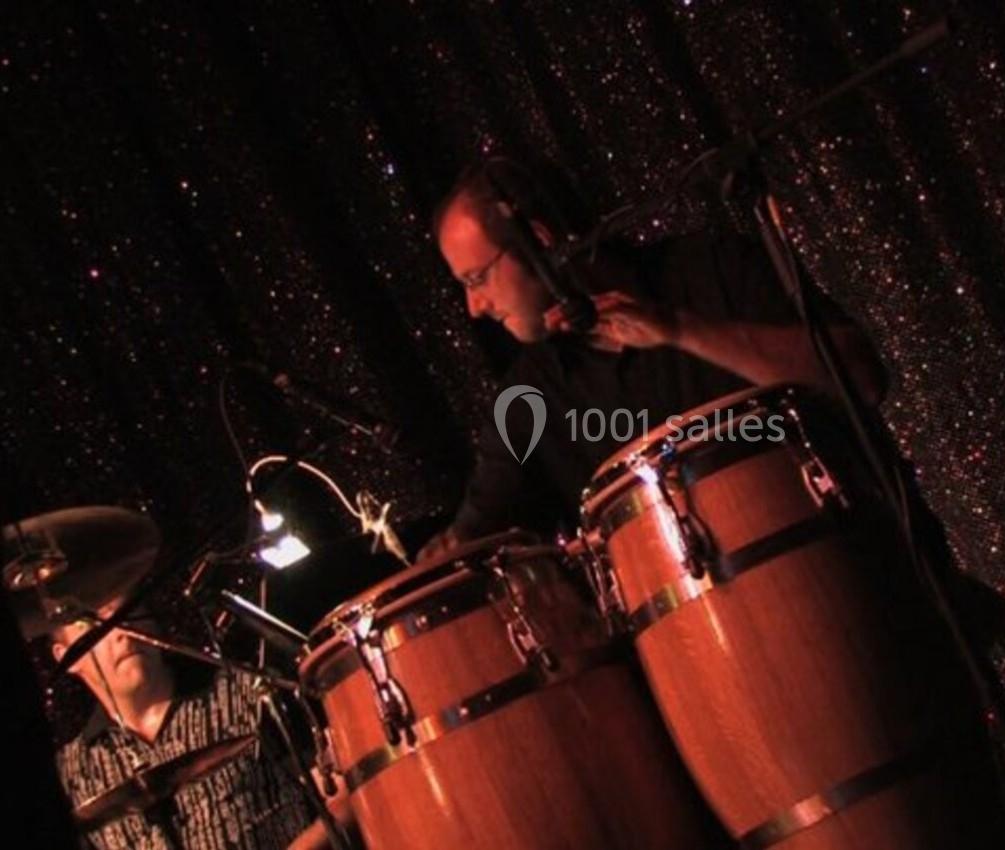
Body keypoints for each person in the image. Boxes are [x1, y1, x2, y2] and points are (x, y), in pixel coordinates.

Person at [421, 157, 889, 553]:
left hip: (858, 569)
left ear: (538, 240)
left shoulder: (714, 267)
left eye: (476, 279)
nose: (474, 308)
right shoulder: (529, 399)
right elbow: (472, 541)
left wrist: (679, 329)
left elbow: (862, 378)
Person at [5, 507, 344, 850]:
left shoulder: (248, 694)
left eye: (126, 614)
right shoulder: (72, 776)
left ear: (153, 624)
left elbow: (346, 790)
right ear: (66, 658)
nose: (122, 633)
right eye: (96, 626)